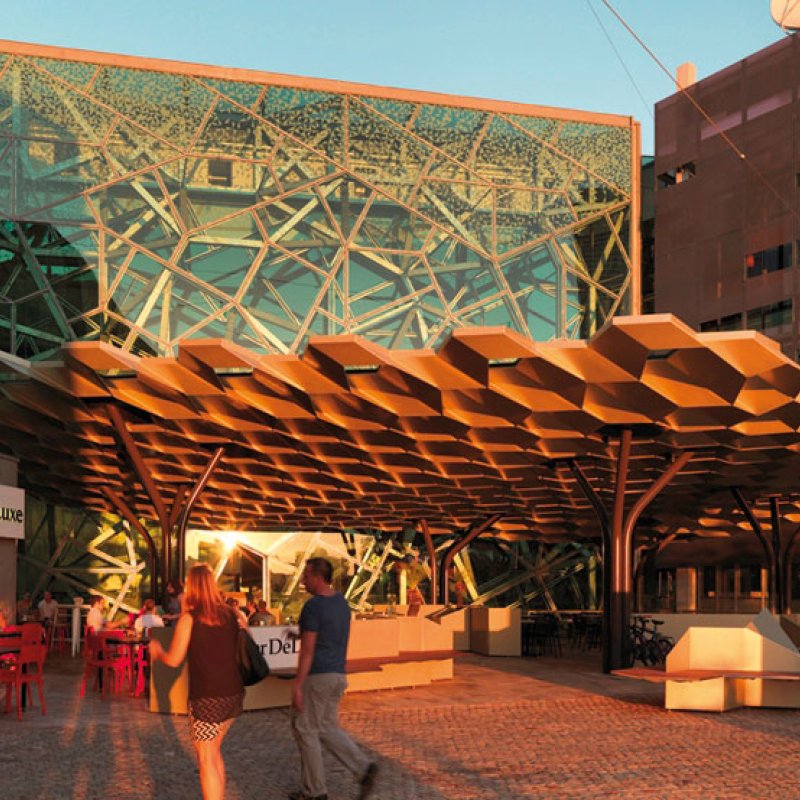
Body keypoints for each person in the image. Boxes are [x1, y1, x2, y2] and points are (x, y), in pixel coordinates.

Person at [150, 564, 244, 800]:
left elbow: (174, 660)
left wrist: (157, 651)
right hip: (233, 694)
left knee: (206, 760)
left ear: (191, 586)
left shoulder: (189, 619)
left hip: (207, 698)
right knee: (213, 753)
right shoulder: (229, 615)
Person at [289, 557, 378, 800]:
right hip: (338, 674)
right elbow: (326, 636)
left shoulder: (313, 607)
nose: (303, 581)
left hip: (317, 676)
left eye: (306, 576)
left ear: (317, 577)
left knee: (304, 727)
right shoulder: (341, 604)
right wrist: (298, 635)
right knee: (326, 727)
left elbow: (308, 651)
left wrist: (298, 686)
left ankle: (314, 791)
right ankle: (363, 767)